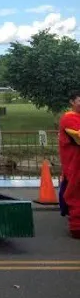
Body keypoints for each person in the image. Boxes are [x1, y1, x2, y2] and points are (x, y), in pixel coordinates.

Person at [58, 90, 80, 239]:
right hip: (75, 164)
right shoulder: (68, 119)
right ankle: (76, 228)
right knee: (75, 193)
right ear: (72, 102)